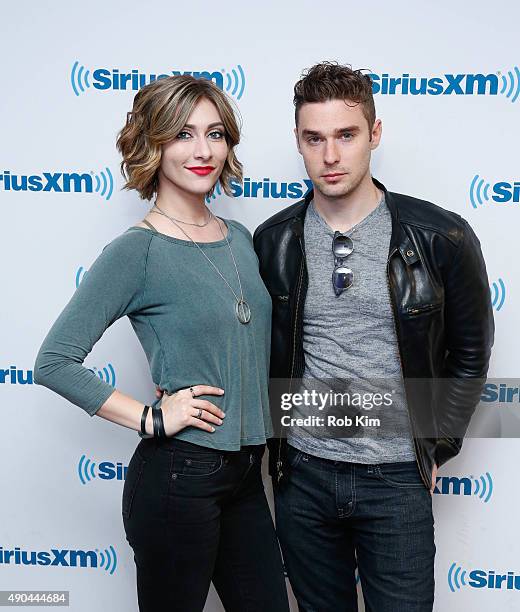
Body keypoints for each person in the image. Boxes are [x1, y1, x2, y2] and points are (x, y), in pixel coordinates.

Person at [33, 75, 289, 612]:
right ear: (155, 144)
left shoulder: (239, 238)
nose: (203, 150)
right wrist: (152, 418)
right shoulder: (138, 251)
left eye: (215, 133)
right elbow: (54, 362)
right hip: (180, 477)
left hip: (247, 472)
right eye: (183, 134)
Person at [253, 62, 494, 612]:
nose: (330, 156)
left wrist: (435, 444)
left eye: (346, 135)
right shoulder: (274, 242)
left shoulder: (441, 237)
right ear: (298, 141)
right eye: (314, 138)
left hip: (395, 481)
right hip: (305, 479)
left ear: (374, 133)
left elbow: (471, 354)